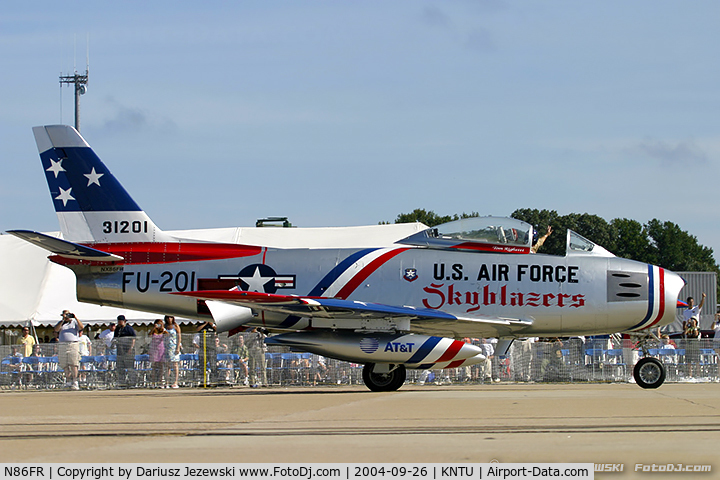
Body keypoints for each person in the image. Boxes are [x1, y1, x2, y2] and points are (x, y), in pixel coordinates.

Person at [54, 310, 83, 390]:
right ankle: (68, 381)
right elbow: (56, 330)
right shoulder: (61, 323)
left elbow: (81, 327)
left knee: (73, 364)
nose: (66, 316)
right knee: (65, 364)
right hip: (62, 344)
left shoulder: (74, 322)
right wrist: (63, 320)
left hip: (73, 344)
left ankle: (75, 381)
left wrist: (75, 317)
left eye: (67, 315)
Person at [113, 315, 136, 387]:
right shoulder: (117, 329)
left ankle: (132, 382)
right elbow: (115, 338)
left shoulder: (129, 328)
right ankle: (122, 382)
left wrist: (130, 349)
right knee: (120, 368)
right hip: (120, 351)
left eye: (121, 321)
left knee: (129, 368)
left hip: (128, 351)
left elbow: (133, 339)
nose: (119, 323)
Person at [164, 315, 182, 389]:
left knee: (175, 364)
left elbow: (179, 336)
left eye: (170, 317)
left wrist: (178, 347)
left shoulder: (175, 326)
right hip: (166, 347)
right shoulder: (164, 326)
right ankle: (167, 381)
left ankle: (175, 381)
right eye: (168, 317)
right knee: (167, 365)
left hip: (174, 346)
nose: (169, 319)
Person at [148, 319, 167, 387]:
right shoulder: (153, 330)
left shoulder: (163, 330)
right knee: (154, 366)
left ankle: (160, 381)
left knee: (161, 366)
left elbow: (168, 335)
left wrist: (163, 329)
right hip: (154, 349)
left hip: (161, 349)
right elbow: (149, 335)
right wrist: (154, 328)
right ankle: (153, 382)